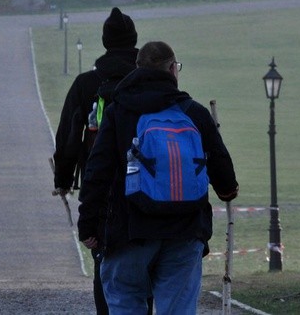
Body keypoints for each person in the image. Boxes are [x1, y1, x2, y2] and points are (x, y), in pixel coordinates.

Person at [77, 41, 239, 315]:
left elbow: (97, 173)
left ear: (136, 70)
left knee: (125, 298)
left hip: (130, 231)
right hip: (186, 232)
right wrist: (226, 191)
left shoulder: (118, 112)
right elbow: (225, 180)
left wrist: (89, 225)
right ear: (173, 69)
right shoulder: (193, 112)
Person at [52, 7, 139, 315]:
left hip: (99, 185)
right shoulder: (151, 80)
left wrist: (63, 180)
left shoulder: (85, 84)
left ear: (105, 42)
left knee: (104, 262)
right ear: (134, 41)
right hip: (148, 184)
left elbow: (67, 137)